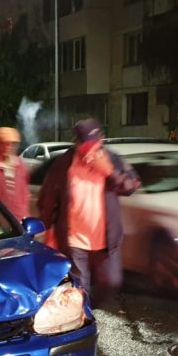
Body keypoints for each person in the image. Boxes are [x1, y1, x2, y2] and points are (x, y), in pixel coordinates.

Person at [37, 119, 141, 305]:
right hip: (74, 240)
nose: (91, 148)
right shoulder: (64, 163)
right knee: (79, 288)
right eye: (86, 144)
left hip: (107, 240)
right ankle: (84, 321)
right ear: (77, 143)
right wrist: (49, 230)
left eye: (94, 143)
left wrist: (108, 171)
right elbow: (47, 198)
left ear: (101, 139)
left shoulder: (112, 159)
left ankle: (91, 307)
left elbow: (132, 185)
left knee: (111, 282)